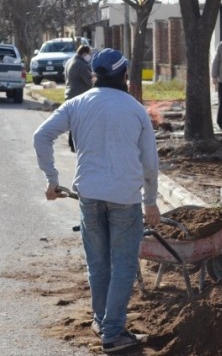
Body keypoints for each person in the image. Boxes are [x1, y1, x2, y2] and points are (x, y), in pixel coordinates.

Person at [33, 48, 160, 353]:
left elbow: (41, 136)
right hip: (124, 199)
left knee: (98, 263)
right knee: (123, 265)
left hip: (89, 196)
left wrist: (52, 180)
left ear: (95, 75)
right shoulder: (134, 108)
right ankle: (113, 333)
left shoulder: (76, 104)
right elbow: (150, 163)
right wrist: (151, 201)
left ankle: (102, 320)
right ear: (123, 75)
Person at [63, 45, 94, 152]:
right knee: (80, 122)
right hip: (79, 96)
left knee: (73, 121)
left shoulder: (70, 61)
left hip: (69, 95)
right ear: (84, 54)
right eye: (89, 54)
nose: (90, 56)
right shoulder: (81, 64)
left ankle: (72, 143)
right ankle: (75, 144)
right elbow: (90, 82)